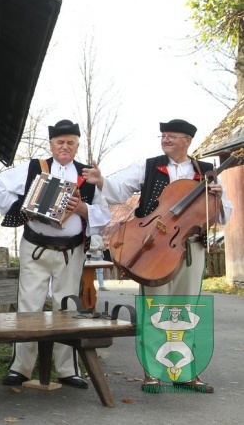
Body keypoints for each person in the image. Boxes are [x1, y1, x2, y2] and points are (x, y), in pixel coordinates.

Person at [82, 119, 232, 393]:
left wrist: (219, 198)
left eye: (172, 136)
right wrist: (101, 180)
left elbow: (224, 213)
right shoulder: (149, 165)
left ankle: (185, 372)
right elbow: (119, 188)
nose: (165, 140)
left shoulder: (207, 171)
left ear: (187, 140)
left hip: (190, 246)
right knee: (155, 307)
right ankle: (152, 370)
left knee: (187, 309)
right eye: (163, 136)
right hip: (153, 247)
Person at [0, 119, 110, 389]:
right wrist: (24, 207)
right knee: (29, 306)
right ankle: (20, 368)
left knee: (67, 307)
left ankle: (67, 370)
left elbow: (104, 214)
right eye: (60, 142)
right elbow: (0, 184)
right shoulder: (36, 167)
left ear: (77, 145)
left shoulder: (88, 174)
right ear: (52, 144)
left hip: (71, 250)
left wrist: (82, 209)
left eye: (70, 142)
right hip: (35, 247)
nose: (65, 147)